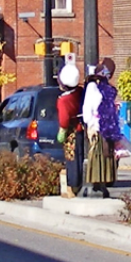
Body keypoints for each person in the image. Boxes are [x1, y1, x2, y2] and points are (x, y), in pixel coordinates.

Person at [81, 58, 127, 198]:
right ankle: (95, 185)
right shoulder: (92, 87)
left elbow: (110, 108)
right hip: (97, 127)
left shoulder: (109, 90)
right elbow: (87, 108)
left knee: (107, 155)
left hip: (108, 128)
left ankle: (103, 184)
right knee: (96, 156)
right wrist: (90, 125)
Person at [56, 59, 85, 195]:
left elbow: (64, 119)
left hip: (70, 132)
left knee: (71, 159)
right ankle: (79, 183)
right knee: (79, 156)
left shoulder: (63, 100)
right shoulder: (79, 92)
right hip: (81, 128)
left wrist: (62, 131)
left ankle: (72, 186)